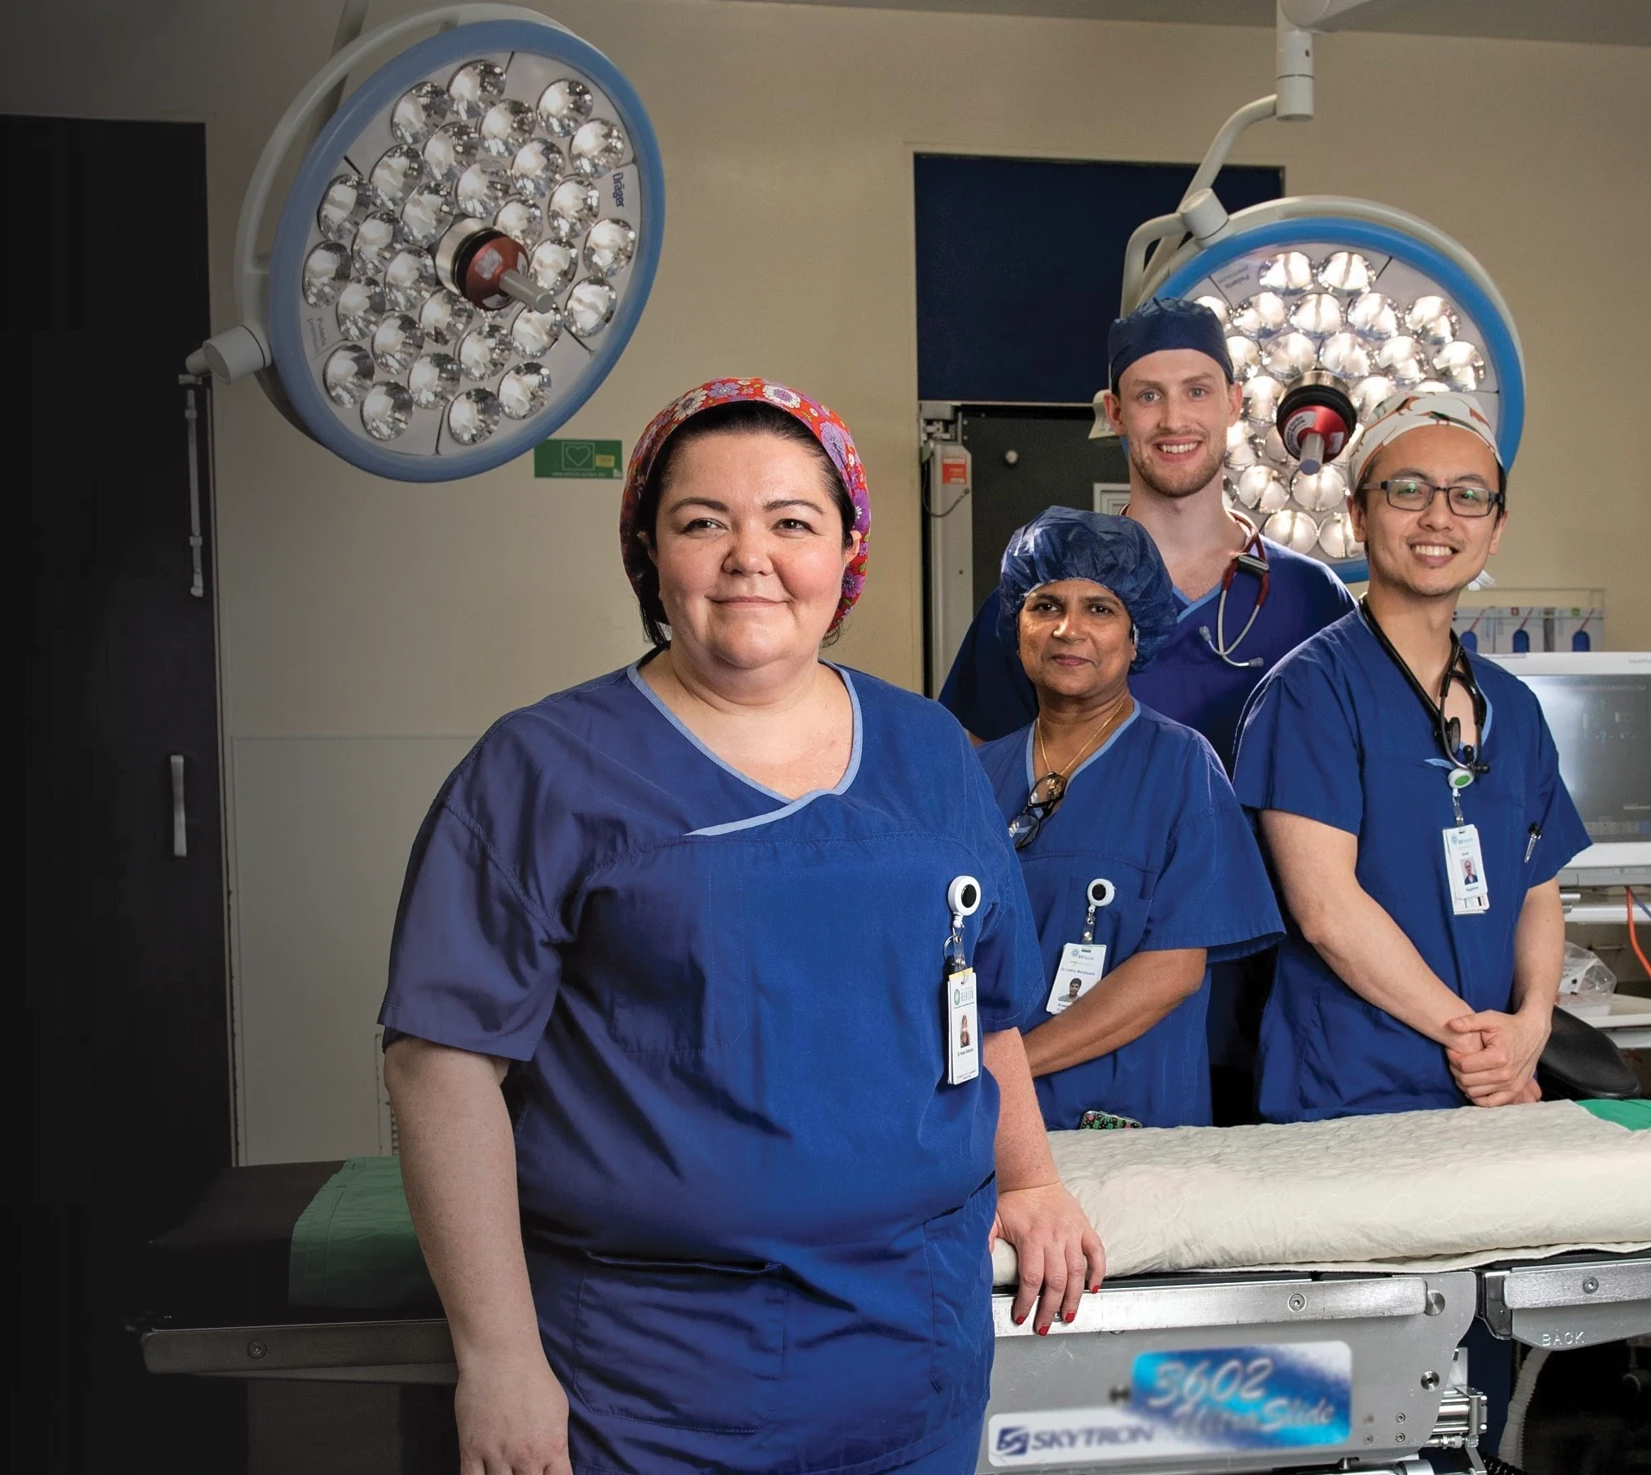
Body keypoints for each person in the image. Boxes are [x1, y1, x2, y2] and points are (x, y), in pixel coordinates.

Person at [381, 378, 1104, 1475]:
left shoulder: (928, 752)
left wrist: (1032, 1179)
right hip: (645, 1370)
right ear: (648, 553)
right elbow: (440, 1061)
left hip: (908, 1351)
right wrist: (497, 1355)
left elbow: (983, 1010)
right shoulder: (541, 768)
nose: (747, 555)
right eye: (701, 521)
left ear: (844, 555)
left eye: (791, 522)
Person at [941, 299, 1356, 1126]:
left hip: (1273, 998)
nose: (1175, 418)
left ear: (1236, 403)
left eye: (1198, 391)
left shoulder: (1312, 601)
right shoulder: (1040, 601)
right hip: (1068, 1001)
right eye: (1148, 395)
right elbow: (968, 811)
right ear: (1112, 414)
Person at [1232, 391, 1591, 1123]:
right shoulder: (1310, 692)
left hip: (1488, 1089)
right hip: (1351, 1089)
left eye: (1468, 497)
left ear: (1495, 529)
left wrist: (1532, 1028)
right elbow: (1327, 910)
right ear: (1360, 514)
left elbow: (1537, 891)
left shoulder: (1514, 711)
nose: (1438, 517)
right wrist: (1483, 1046)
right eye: (1408, 490)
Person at [976, 509, 1282, 1130]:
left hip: (1125, 1117)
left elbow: (1172, 971)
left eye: (1099, 609)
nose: (1068, 629)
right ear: (1017, 626)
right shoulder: (975, 775)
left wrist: (1006, 1066)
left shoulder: (1180, 768)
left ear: (1137, 633)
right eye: (1044, 605)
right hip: (992, 1119)